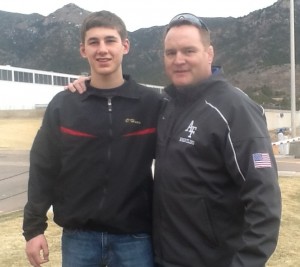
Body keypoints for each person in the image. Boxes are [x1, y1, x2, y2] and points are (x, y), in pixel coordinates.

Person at [67, 13, 282, 267]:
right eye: (171, 53)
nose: (179, 60)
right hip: (164, 257)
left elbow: (264, 202)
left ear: (209, 53)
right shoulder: (167, 106)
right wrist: (89, 86)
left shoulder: (234, 109)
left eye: (189, 51)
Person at [23, 10, 162, 267]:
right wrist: (33, 229)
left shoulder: (152, 104)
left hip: (135, 238)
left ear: (125, 46)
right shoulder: (64, 105)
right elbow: (44, 167)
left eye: (110, 40)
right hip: (79, 239)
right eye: (94, 42)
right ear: (83, 50)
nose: (102, 49)